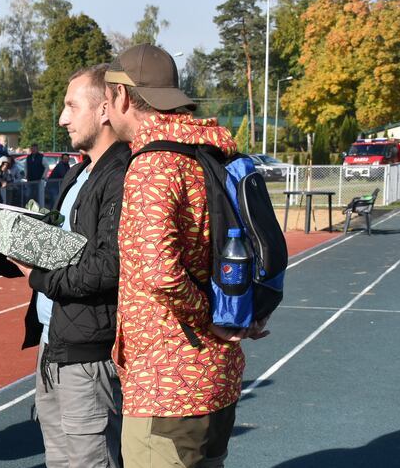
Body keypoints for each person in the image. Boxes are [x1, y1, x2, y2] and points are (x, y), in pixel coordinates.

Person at [106, 43, 268, 468]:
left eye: (107, 99)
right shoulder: (211, 151)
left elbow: (160, 272)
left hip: (168, 382)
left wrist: (208, 317)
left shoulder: (154, 164)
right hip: (217, 374)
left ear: (123, 97)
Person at [20, 64, 129, 468]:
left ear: (104, 110)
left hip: (88, 353)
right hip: (54, 345)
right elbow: (59, 245)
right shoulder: (79, 170)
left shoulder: (120, 175)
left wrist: (39, 277)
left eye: (71, 106)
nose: (62, 118)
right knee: (60, 461)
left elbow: (108, 267)